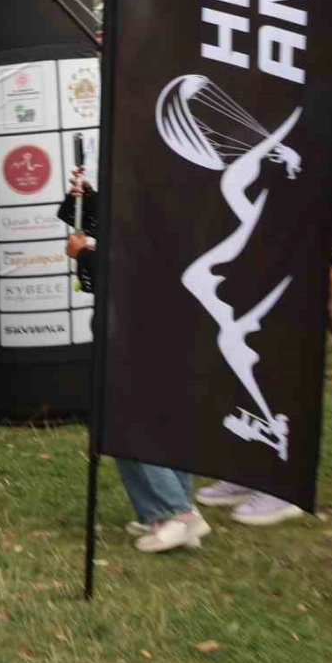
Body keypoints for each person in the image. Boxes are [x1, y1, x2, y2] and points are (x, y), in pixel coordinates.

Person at [59, 168, 214, 551]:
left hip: (145, 326)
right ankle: (166, 511)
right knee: (154, 417)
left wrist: (85, 254)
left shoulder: (166, 194)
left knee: (128, 417)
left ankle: (177, 513)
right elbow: (123, 229)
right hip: (155, 324)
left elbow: (137, 266)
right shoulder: (159, 184)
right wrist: (87, 198)